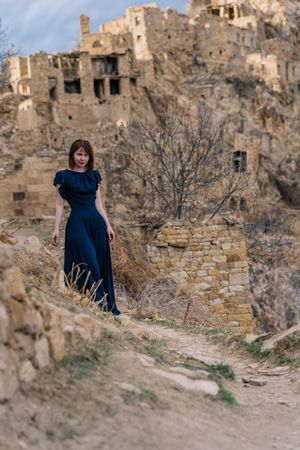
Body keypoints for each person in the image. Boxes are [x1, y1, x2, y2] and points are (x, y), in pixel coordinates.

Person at [51, 139, 121, 317]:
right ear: (72, 155)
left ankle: (104, 301)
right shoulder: (63, 176)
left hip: (96, 223)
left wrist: (108, 225)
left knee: (99, 263)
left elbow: (98, 203)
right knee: (88, 261)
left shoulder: (94, 175)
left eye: (85, 155)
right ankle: (98, 302)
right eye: (79, 154)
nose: (82, 158)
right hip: (77, 223)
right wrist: (56, 229)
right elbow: (59, 205)